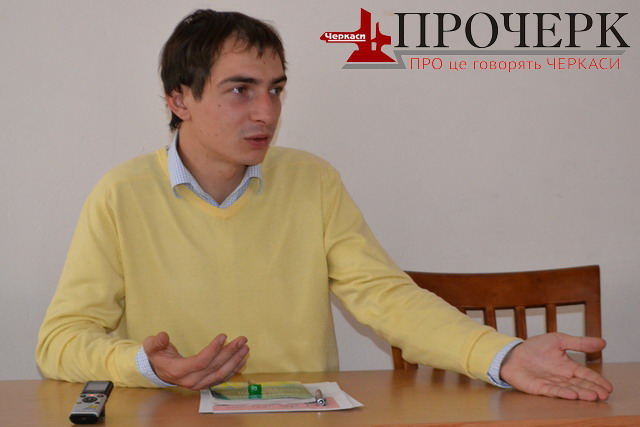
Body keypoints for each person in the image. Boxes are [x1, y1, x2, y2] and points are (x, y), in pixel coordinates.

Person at [36, 9, 612, 401]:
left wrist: (503, 356)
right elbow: (59, 342)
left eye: (276, 89)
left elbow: (386, 298)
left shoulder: (311, 180)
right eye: (240, 90)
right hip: (176, 416)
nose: (266, 112)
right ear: (179, 99)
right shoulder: (122, 193)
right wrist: (145, 365)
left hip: (304, 414)